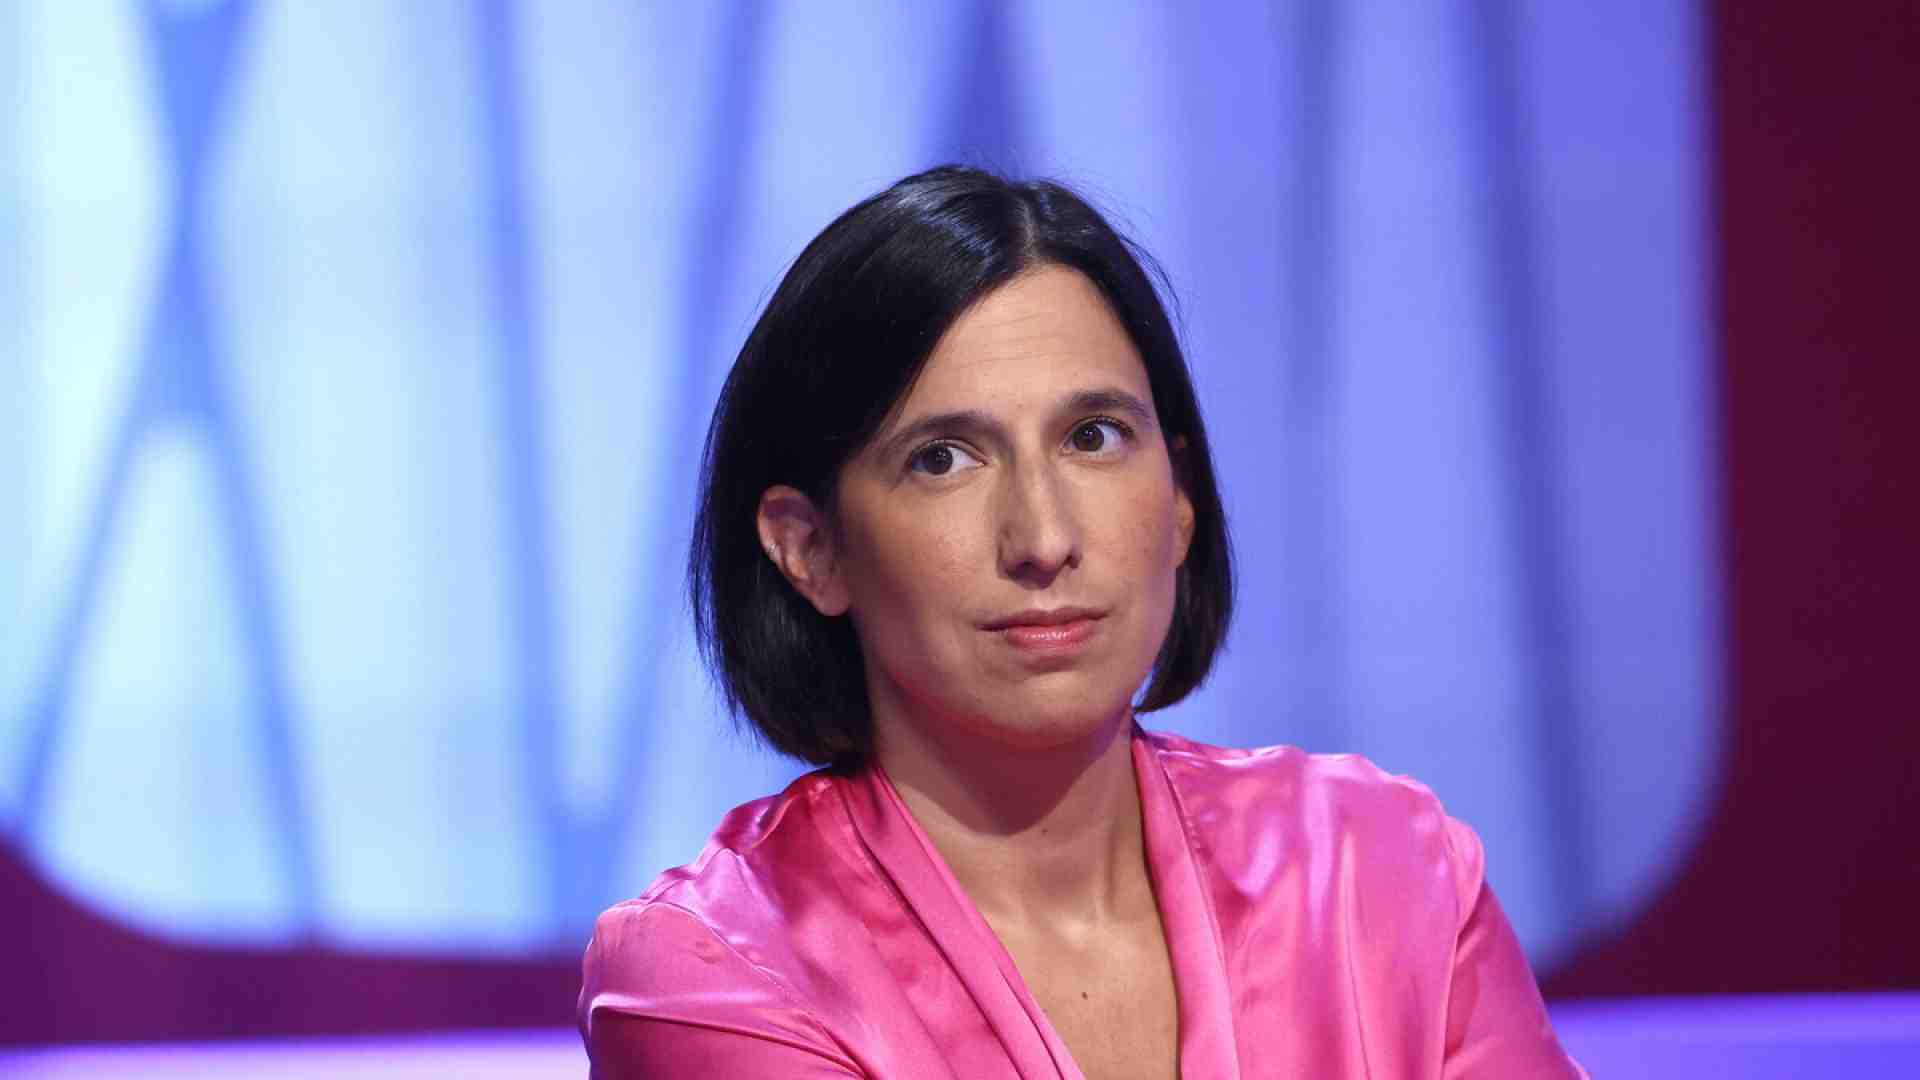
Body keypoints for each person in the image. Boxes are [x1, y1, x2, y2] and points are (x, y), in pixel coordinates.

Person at [579, 166, 1586, 1078]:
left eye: (1093, 437)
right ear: (811, 548)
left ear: (1180, 501)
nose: (1044, 537)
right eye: (942, 458)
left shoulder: (1380, 870)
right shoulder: (718, 972)